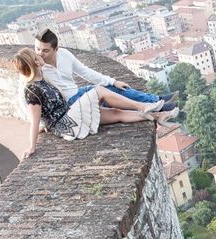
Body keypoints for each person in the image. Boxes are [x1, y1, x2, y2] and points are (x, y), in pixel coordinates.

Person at [14, 48, 179, 159]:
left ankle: (157, 116)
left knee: (116, 113)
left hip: (69, 115)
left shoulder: (42, 78)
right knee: (99, 90)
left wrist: (46, 124)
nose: (40, 56)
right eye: (37, 56)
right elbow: (34, 120)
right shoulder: (31, 89)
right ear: (35, 63)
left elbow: (47, 111)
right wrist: (32, 146)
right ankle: (143, 106)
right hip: (67, 123)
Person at [34, 28, 178, 111]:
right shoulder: (34, 67)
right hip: (68, 104)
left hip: (77, 93)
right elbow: (28, 95)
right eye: (37, 49)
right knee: (110, 98)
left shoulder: (64, 54)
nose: (40, 53)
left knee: (113, 87)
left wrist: (113, 81)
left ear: (56, 49)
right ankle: (156, 107)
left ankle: (157, 100)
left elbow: (85, 71)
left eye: (45, 50)